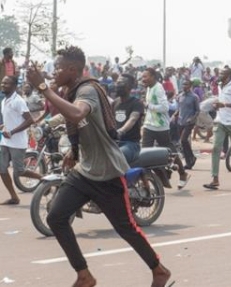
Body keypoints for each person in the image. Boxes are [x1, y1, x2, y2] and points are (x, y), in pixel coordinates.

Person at [25, 46, 172, 287]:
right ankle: (84, 275)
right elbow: (71, 118)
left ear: (73, 70)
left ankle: (159, 270)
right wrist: (67, 143)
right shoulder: (72, 90)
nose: (54, 72)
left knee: (126, 228)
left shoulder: (88, 90)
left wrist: (43, 88)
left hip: (106, 173)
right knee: (56, 217)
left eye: (58, 67)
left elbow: (77, 113)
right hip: (85, 171)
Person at [141, 67, 190, 189]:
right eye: (142, 77)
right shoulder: (149, 88)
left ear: (153, 76)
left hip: (161, 127)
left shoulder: (158, 88)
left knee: (170, 152)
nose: (143, 79)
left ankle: (182, 173)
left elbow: (164, 108)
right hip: (149, 125)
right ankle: (148, 181)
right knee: (144, 154)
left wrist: (148, 105)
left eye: (145, 76)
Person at [0, 75, 39, 204]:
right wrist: (4, 127)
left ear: (14, 86)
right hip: (5, 141)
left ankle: (43, 178)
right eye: (2, 83)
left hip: (17, 142)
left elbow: (29, 120)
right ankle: (14, 197)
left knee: (20, 171)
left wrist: (12, 132)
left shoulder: (18, 101)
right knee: (2, 168)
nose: (3, 85)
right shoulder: (4, 100)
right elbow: (10, 119)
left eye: (6, 83)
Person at [112, 74, 143, 165]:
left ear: (129, 86)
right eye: (117, 83)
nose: (117, 85)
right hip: (115, 142)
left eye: (121, 83)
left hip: (131, 144)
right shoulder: (115, 102)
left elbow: (133, 119)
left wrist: (121, 131)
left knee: (117, 157)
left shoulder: (136, 103)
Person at [172, 79, 200, 170]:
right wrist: (174, 116)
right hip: (180, 121)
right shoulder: (180, 96)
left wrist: (192, 118)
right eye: (183, 84)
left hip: (189, 122)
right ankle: (190, 161)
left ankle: (191, 158)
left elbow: (198, 111)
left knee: (184, 140)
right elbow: (179, 109)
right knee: (183, 142)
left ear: (190, 85)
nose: (184, 86)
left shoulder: (194, 97)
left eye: (186, 84)